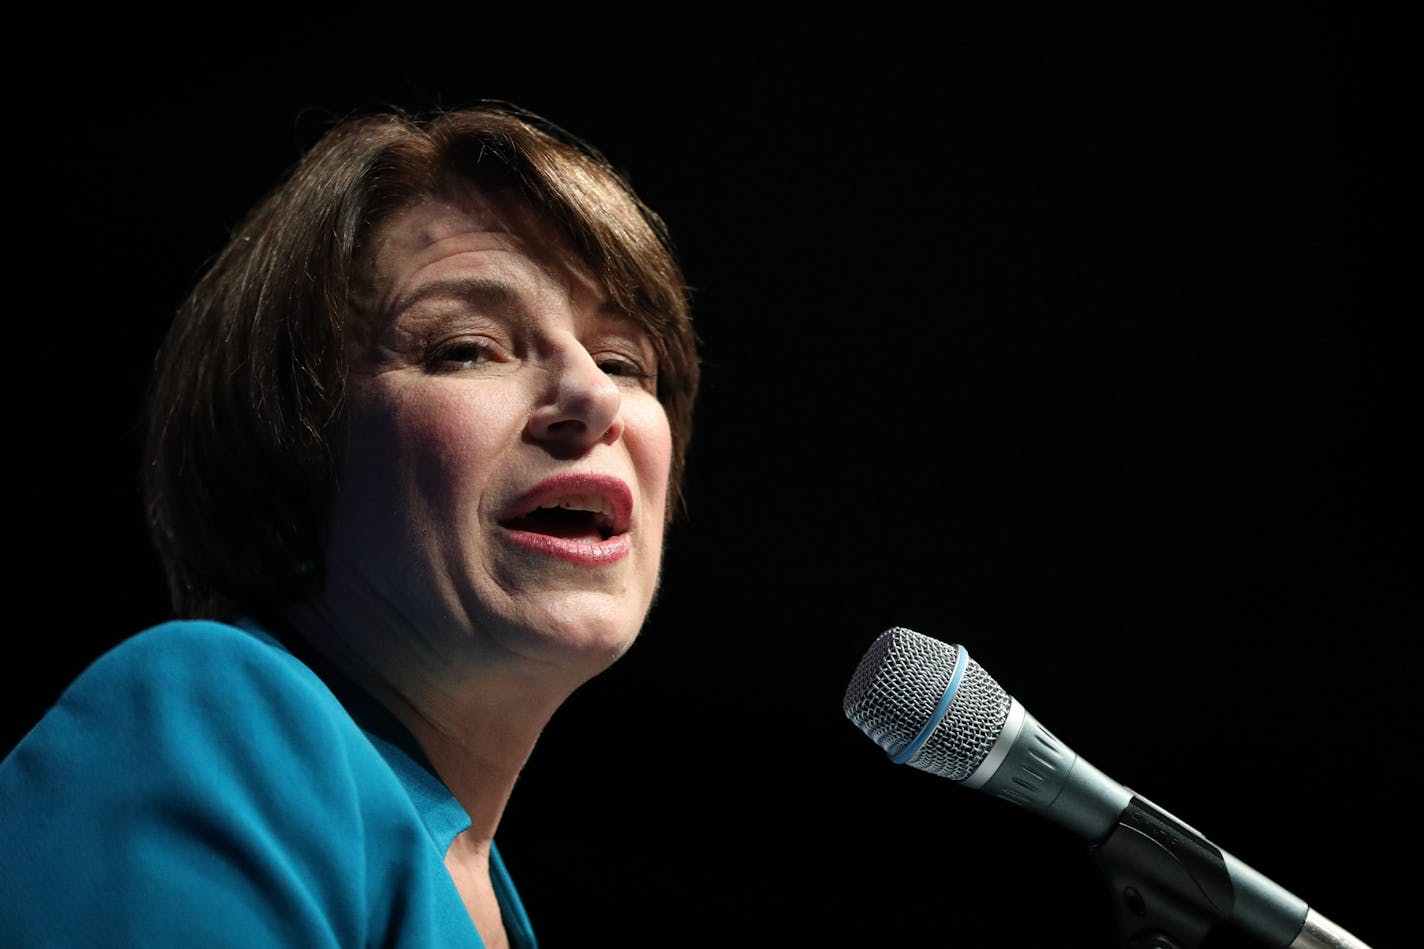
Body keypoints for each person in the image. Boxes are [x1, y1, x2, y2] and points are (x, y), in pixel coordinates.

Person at [0, 101, 700, 947]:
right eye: (467, 346)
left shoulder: (473, 886)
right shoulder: (217, 714)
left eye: (624, 361)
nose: (593, 396)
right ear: (293, 442)